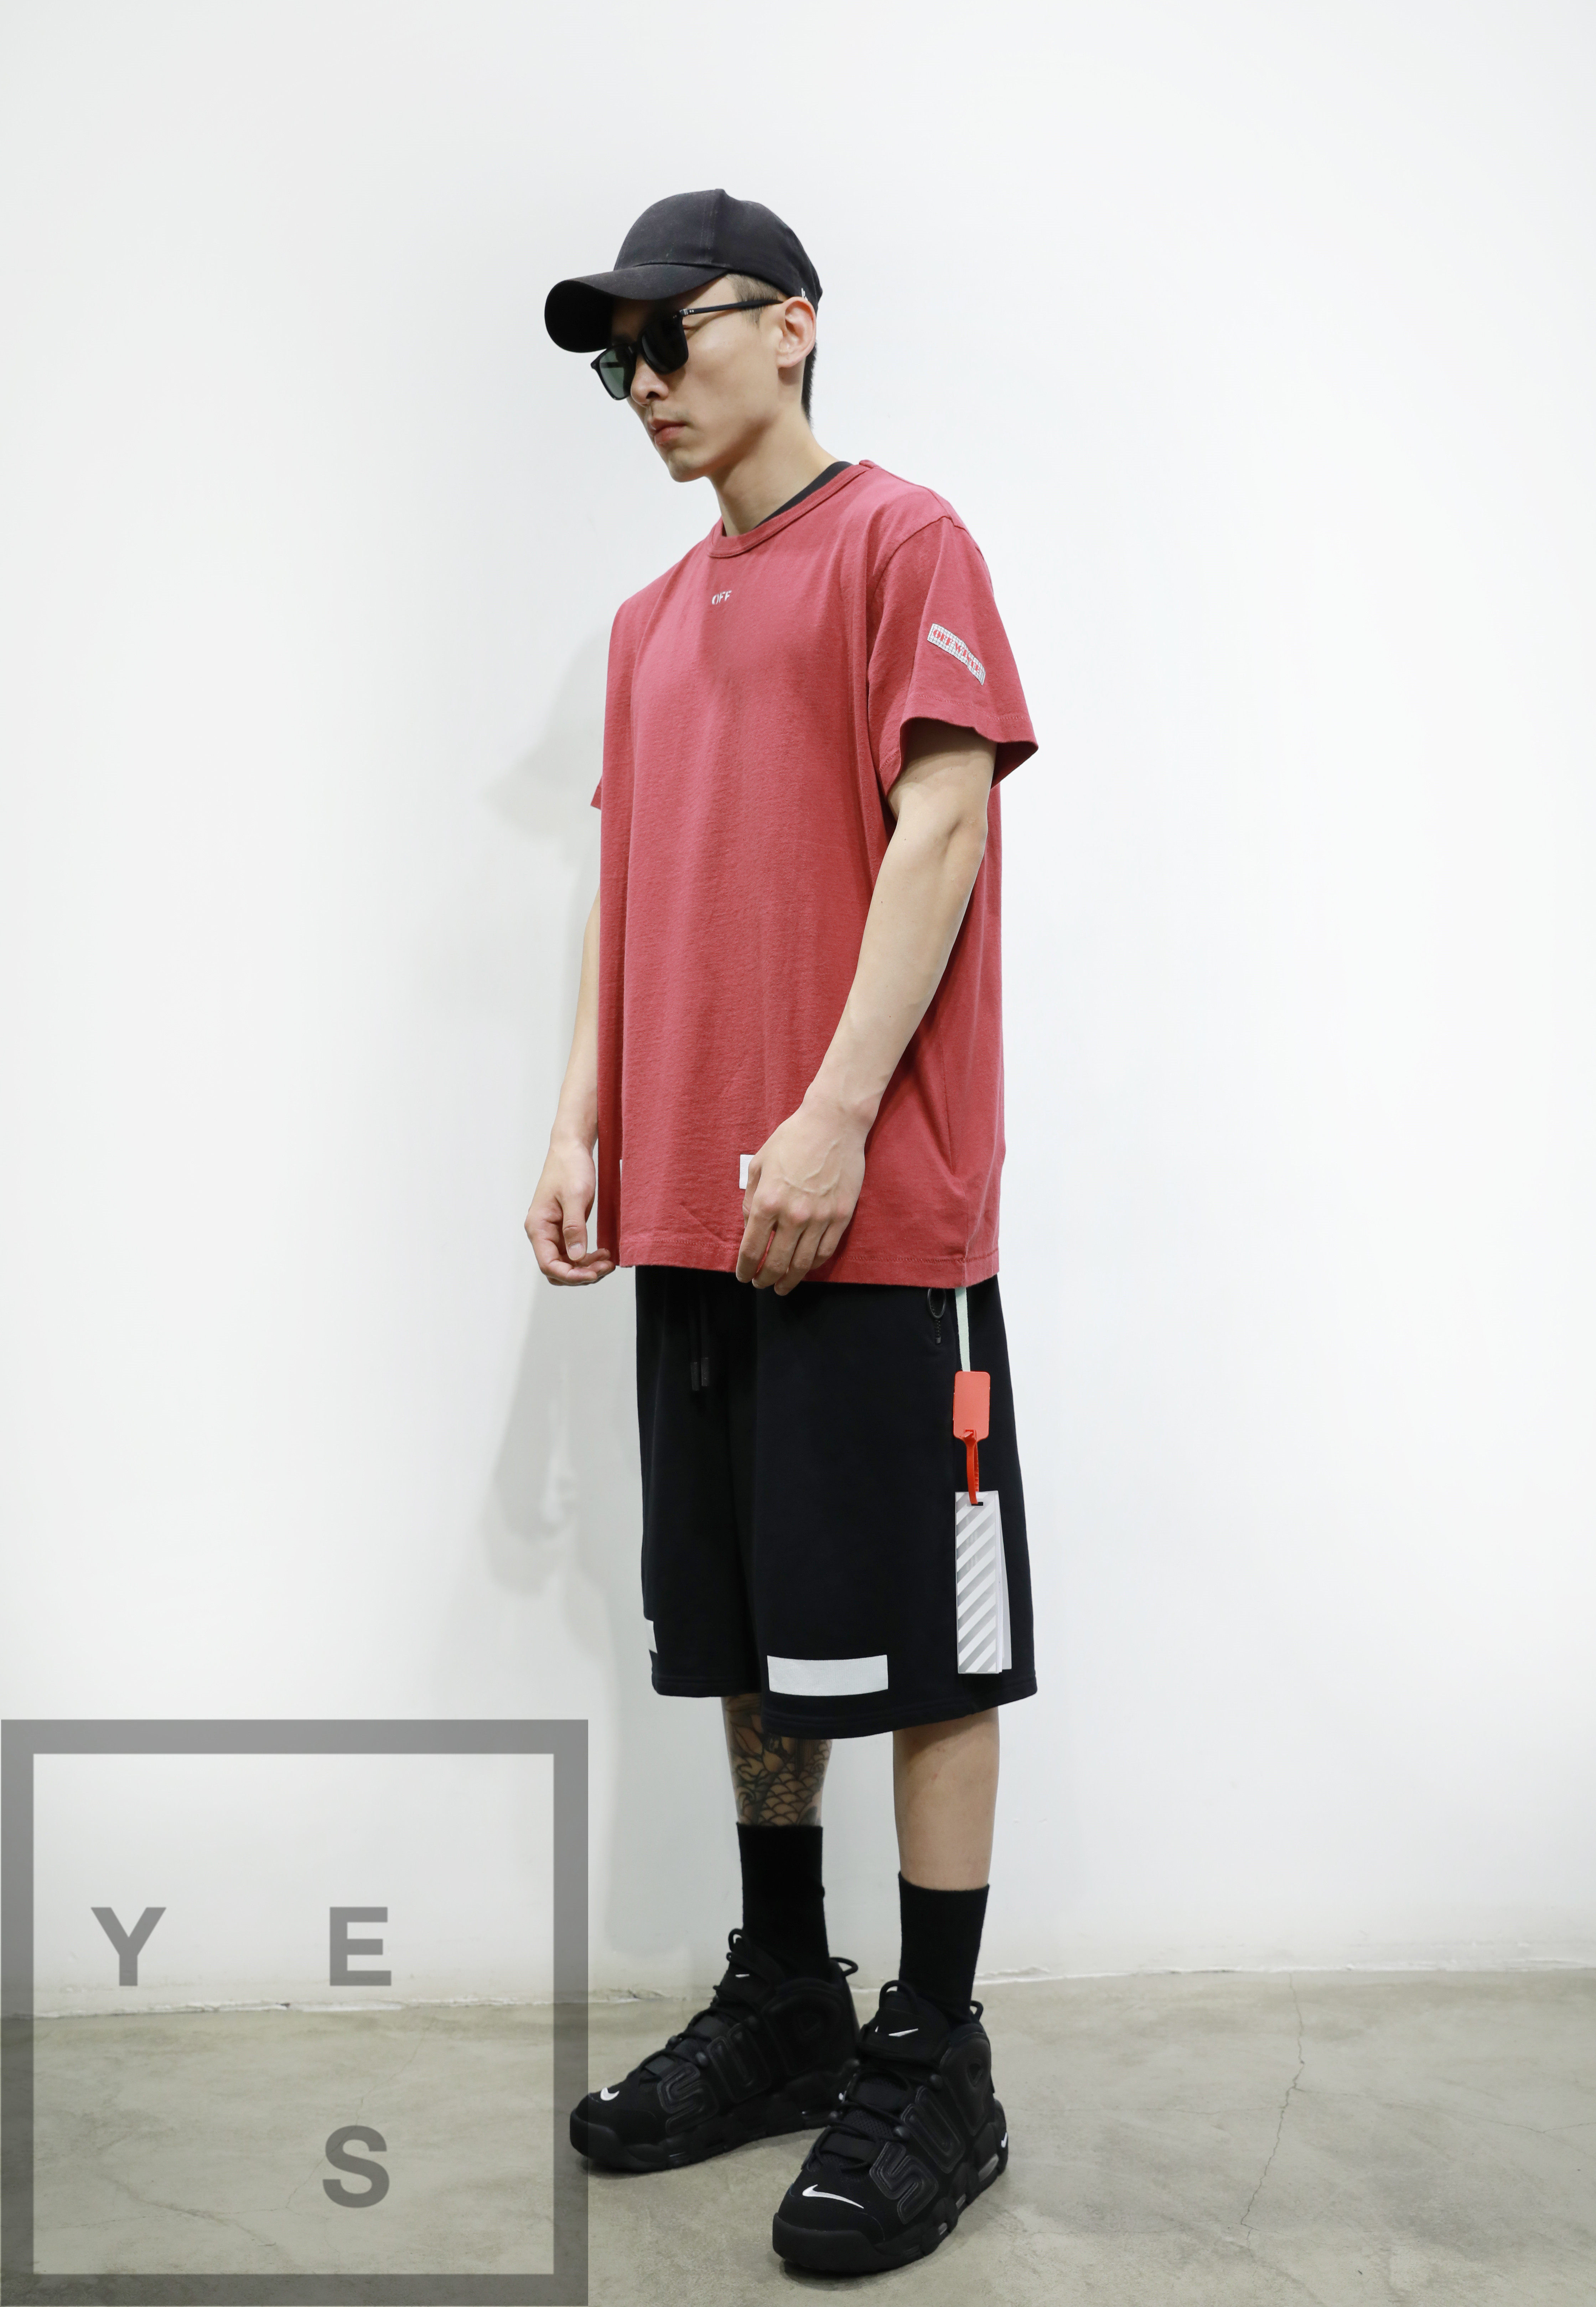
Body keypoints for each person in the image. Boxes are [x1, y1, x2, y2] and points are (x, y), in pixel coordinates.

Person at [528, 188, 1038, 2277]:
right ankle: (786, 1993)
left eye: (677, 337)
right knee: (747, 1630)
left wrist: (831, 1115)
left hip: (876, 1210)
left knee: (920, 1634)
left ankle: (938, 2052)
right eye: (618, 362)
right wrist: (581, 1124)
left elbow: (947, 816)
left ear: (794, 325)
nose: (646, 382)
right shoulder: (650, 622)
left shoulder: (905, 541)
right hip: (691, 1209)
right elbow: (627, 885)